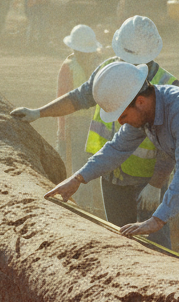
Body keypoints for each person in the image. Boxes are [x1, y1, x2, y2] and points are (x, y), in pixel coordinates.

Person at [44, 62, 179, 275]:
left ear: (140, 101)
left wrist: (157, 219)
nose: (122, 123)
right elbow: (117, 149)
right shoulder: (146, 113)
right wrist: (77, 179)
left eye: (123, 116)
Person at [9, 16, 178, 249]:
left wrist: (157, 184)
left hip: (146, 178)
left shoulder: (166, 84)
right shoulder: (108, 68)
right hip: (111, 172)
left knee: (156, 244)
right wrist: (39, 113)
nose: (125, 63)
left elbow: (171, 143)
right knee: (120, 239)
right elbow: (79, 97)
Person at [55, 25, 104, 217]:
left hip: (92, 124)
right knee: (80, 166)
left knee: (88, 165)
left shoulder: (94, 65)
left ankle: (87, 207)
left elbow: (61, 99)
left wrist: (61, 130)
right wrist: (62, 130)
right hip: (78, 126)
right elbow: (62, 99)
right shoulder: (71, 67)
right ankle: (83, 208)